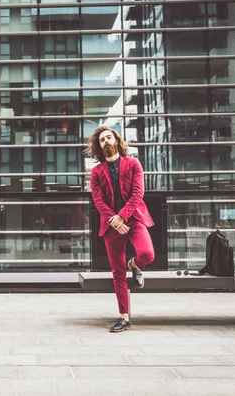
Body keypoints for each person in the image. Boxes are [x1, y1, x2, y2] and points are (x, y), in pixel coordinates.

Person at [86, 126, 155, 333]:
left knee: (147, 253)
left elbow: (137, 193)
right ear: (99, 147)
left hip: (133, 219)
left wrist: (122, 216)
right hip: (111, 225)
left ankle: (134, 264)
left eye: (109, 137)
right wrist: (113, 220)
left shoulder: (133, 164)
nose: (106, 141)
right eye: (102, 140)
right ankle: (124, 317)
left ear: (116, 141)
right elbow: (97, 200)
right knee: (117, 273)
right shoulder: (97, 172)